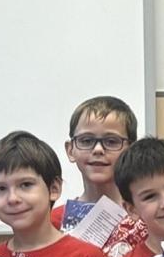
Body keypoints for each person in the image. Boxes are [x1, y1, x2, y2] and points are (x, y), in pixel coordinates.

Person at [53, 94, 144, 234]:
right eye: (86, 141)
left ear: (131, 150)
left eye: (111, 141)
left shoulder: (146, 217)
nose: (98, 149)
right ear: (70, 150)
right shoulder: (52, 223)